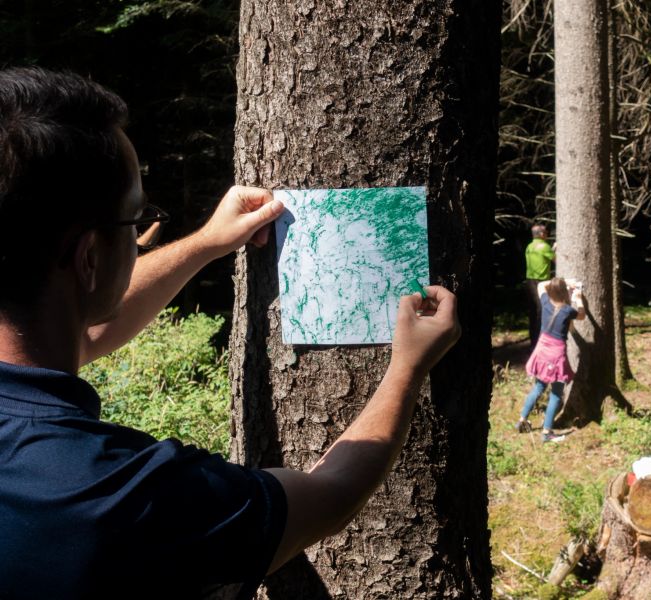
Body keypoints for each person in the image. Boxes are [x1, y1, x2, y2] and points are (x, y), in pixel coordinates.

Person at [0, 67, 460, 598]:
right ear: (88, 257)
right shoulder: (115, 491)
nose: (142, 233)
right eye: (136, 219)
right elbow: (329, 494)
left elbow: (84, 332)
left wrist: (205, 244)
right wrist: (407, 367)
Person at [516, 277, 584, 443]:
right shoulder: (567, 310)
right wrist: (579, 299)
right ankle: (547, 432)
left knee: (539, 387)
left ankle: (522, 419)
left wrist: (564, 281)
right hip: (556, 355)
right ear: (563, 293)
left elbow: (540, 285)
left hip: (542, 350)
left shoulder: (545, 302)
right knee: (556, 394)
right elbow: (581, 315)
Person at [524, 223, 555, 350]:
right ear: (541, 234)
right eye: (546, 233)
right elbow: (556, 259)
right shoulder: (545, 247)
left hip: (529, 282)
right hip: (541, 282)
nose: (547, 235)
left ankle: (533, 341)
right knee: (542, 311)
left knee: (533, 312)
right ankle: (541, 342)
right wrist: (555, 249)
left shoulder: (529, 246)